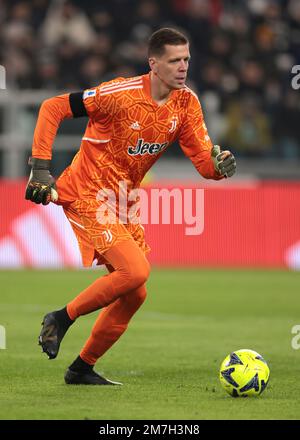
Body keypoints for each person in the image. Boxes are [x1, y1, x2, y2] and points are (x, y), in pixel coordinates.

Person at [25, 28, 236, 386]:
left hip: (122, 203)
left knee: (135, 291)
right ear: (153, 64)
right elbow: (53, 107)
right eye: (174, 60)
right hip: (87, 192)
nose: (183, 67)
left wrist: (218, 168)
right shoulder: (118, 94)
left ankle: (81, 369)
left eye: (186, 59)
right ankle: (61, 318)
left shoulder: (187, 104)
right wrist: (41, 169)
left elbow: (202, 159)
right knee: (136, 272)